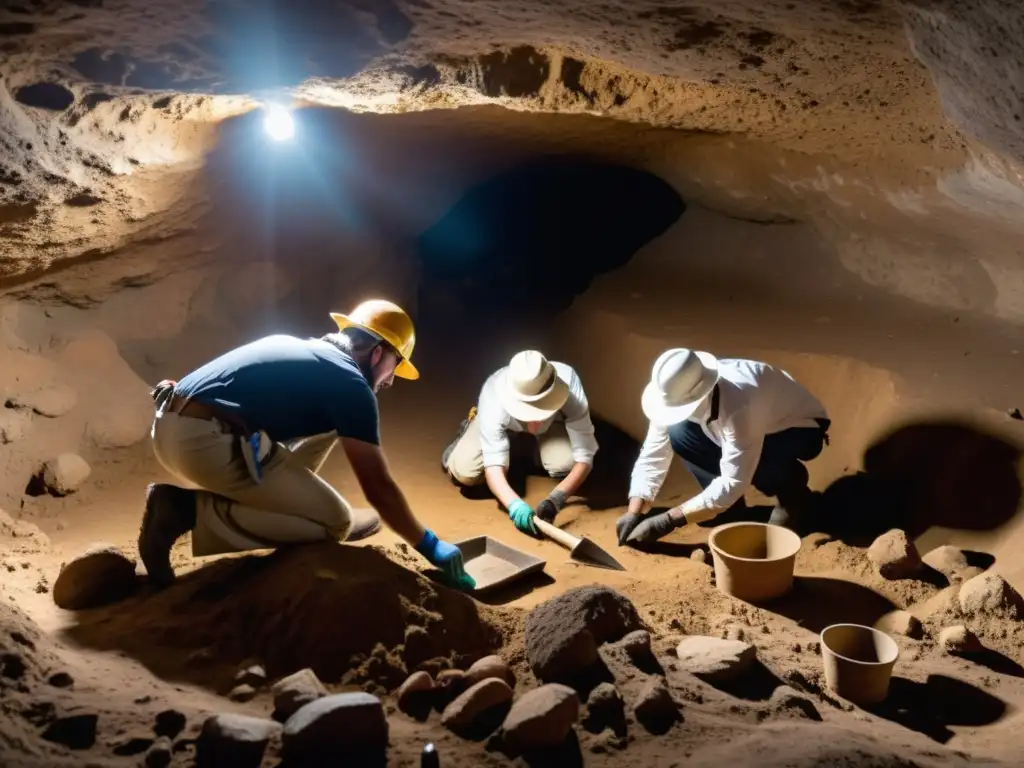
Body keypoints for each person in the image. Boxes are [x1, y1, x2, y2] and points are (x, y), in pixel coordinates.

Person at [138, 299, 474, 590]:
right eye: (394, 367)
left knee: (332, 426)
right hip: (203, 443)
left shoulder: (301, 348)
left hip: (171, 427)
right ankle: (185, 511)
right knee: (337, 523)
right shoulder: (351, 385)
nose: (389, 381)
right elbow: (377, 487)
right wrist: (430, 545)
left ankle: (302, 505)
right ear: (377, 354)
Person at [617, 347, 830, 544]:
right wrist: (635, 511)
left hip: (799, 430)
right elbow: (653, 454)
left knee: (758, 461)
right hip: (746, 426)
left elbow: (734, 480)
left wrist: (670, 520)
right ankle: (728, 511)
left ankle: (792, 496)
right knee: (680, 433)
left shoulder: (741, 404)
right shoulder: (674, 393)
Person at [442, 350, 598, 535]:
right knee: (465, 472)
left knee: (565, 464)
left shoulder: (569, 383)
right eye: (529, 412)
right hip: (505, 425)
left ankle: (528, 449)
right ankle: (475, 429)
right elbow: (494, 469)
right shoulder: (494, 395)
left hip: (553, 425)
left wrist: (555, 499)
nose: (535, 422)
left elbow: (585, 457)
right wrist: (515, 506)